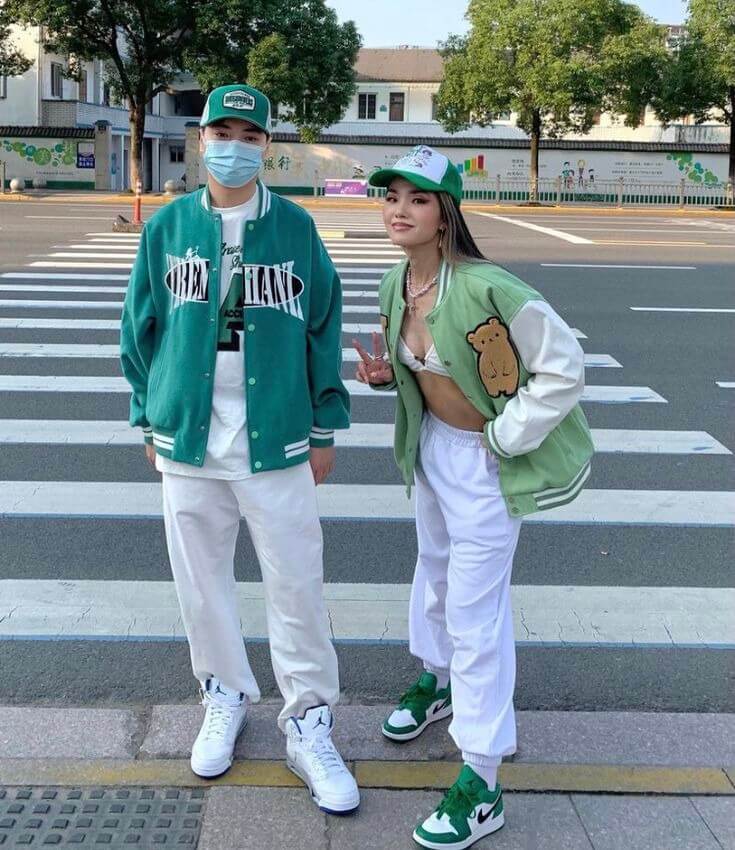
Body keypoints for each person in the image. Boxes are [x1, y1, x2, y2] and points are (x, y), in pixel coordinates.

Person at [120, 83, 359, 815]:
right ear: (200, 140)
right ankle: (224, 694)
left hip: (277, 436)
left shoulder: (294, 228)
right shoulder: (166, 229)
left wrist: (323, 425)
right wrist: (148, 415)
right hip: (188, 435)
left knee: (296, 585)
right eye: (220, 130)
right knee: (201, 585)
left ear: (266, 146)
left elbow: (322, 324)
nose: (233, 144)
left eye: (248, 134)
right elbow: (140, 326)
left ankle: (309, 720)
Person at [354, 145, 593, 848]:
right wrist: (385, 379)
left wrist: (503, 439)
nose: (398, 209)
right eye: (391, 195)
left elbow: (562, 368)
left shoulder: (489, 288)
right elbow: (432, 372)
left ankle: (482, 779)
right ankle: (437, 682)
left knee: (475, 612)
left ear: (445, 214)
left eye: (417, 199)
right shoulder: (394, 282)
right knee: (432, 575)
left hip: (486, 465)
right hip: (432, 453)